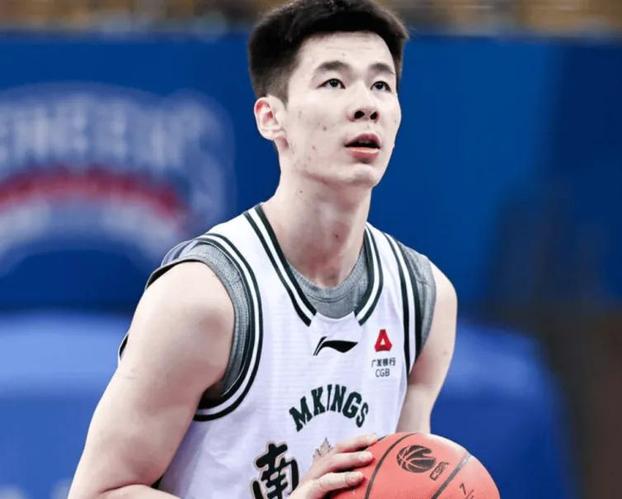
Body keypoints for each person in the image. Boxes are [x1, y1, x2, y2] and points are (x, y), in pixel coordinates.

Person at [69, 0, 456, 497]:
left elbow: (401, 482)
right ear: (271, 118)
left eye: (381, 85)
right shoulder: (203, 298)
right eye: (333, 82)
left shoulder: (425, 299)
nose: (367, 104)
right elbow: (99, 491)